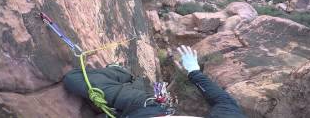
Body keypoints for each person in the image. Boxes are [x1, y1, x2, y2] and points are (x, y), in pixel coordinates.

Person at [63, 45, 246, 118]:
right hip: (149, 108)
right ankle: (120, 73)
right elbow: (223, 100)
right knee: (74, 80)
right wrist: (194, 71)